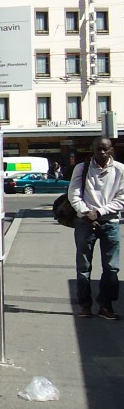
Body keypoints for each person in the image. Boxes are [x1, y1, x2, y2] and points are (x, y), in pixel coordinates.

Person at [67, 137, 124, 320]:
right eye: (98, 149)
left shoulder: (120, 170)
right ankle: (84, 305)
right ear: (93, 150)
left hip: (110, 223)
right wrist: (86, 214)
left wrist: (99, 212)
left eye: (105, 149)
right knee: (83, 266)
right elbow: (74, 194)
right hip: (85, 223)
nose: (102, 153)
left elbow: (121, 198)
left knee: (111, 268)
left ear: (111, 150)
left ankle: (106, 305)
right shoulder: (82, 168)